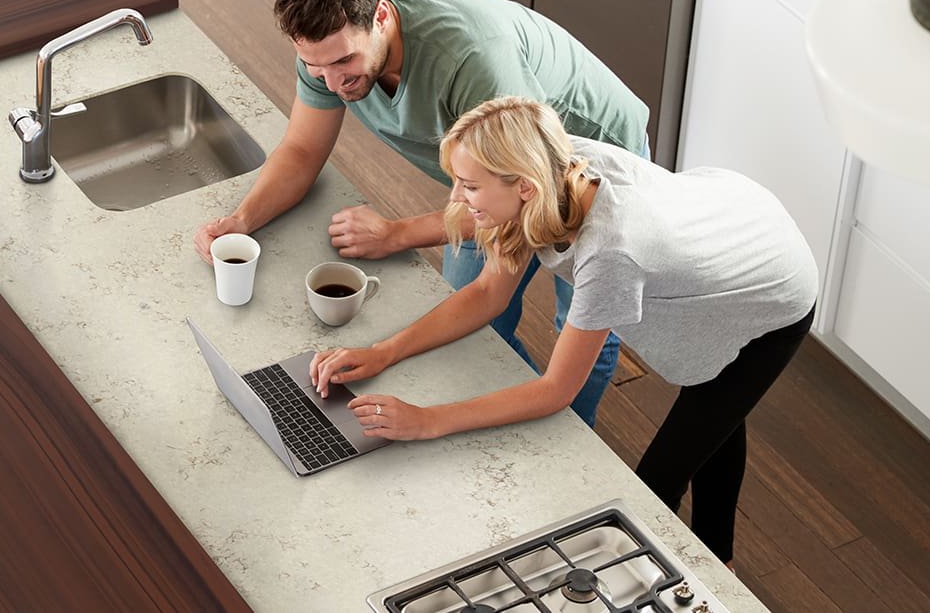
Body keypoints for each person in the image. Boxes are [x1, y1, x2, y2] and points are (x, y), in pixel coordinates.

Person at [306, 96, 818, 567]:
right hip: (725, 217)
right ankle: (720, 558)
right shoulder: (548, 161)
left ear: (522, 187)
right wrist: (382, 352)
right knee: (716, 405)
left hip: (770, 286)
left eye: (470, 185)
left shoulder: (610, 251)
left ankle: (708, 575)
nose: (457, 202)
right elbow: (488, 294)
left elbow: (555, 390)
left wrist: (428, 421)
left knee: (656, 484)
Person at [193, 0, 650, 426]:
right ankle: (530, 410)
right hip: (490, 182)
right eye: (314, 66)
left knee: (578, 325)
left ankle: (569, 441)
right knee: (468, 311)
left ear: (383, 18)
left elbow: (524, 192)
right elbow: (304, 151)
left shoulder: (473, 62)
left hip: (582, 167)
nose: (329, 83)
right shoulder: (326, 48)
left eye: (342, 62)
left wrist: (397, 233)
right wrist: (241, 221)